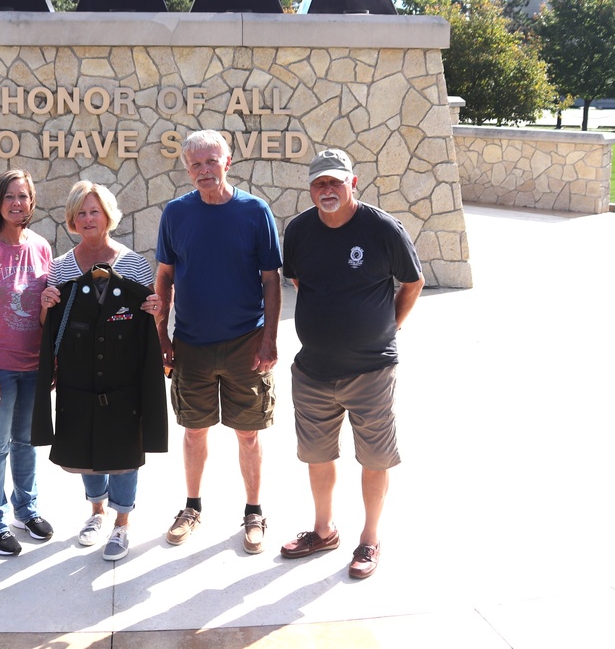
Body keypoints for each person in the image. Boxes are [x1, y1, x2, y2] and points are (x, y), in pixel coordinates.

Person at [279, 148, 424, 579]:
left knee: (375, 457)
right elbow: (301, 282)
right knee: (317, 455)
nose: (327, 190)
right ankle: (323, 530)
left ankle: (370, 540)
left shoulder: (381, 228)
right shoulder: (300, 230)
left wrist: (387, 327)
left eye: (335, 182)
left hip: (371, 371)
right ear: (310, 189)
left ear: (353, 183)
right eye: (319, 183)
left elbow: (412, 282)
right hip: (312, 370)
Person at [155, 130, 283, 555]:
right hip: (191, 344)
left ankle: (254, 512)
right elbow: (165, 277)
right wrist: (162, 336)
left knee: (248, 433)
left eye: (212, 161)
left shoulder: (254, 211)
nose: (204, 170)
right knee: (194, 431)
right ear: (187, 169)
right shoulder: (176, 213)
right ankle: (192, 508)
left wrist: (270, 339)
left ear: (228, 162)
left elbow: (270, 279)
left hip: (246, 343)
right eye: (196, 164)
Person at [34, 181, 166, 562]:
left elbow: (148, 322)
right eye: (81, 212)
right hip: (78, 375)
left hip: (123, 376)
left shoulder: (134, 265)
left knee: (124, 446)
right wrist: (46, 304)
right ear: (72, 220)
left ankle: (122, 523)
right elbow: (50, 326)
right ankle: (96, 512)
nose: (88, 218)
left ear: (108, 215)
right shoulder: (59, 268)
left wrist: (156, 310)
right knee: (86, 445)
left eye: (94, 211)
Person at [0, 169, 54, 557]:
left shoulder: (41, 247)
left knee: (26, 443)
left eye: (24, 197)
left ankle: (25, 509)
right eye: (9, 198)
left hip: (32, 366)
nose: (17, 204)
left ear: (32, 202)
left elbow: (44, 313)